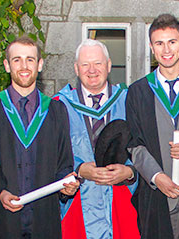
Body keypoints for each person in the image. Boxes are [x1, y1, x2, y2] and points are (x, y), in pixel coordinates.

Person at [126, 13, 179, 239]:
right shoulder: (138, 92)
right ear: (151, 48)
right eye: (159, 43)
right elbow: (135, 145)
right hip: (155, 196)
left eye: (172, 42)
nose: (166, 50)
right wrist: (156, 177)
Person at [0, 36, 80, 239]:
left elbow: (64, 163)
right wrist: (0, 192)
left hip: (44, 219)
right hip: (2, 220)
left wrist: (66, 185)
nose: (24, 66)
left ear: (39, 65)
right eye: (17, 59)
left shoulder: (56, 110)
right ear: (6, 65)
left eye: (30, 59)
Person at [56, 39, 139, 239]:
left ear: (109, 65)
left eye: (98, 63)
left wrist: (129, 172)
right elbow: (50, 158)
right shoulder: (59, 106)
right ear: (76, 69)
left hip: (122, 206)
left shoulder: (129, 101)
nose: (92, 70)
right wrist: (78, 169)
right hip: (76, 208)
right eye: (85, 64)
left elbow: (145, 149)